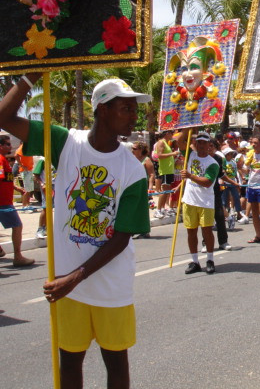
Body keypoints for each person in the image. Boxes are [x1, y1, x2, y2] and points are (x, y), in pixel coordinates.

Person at [0, 75, 151, 388]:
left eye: (135, 109)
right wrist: (29, 76)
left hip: (110, 286)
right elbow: (4, 117)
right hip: (67, 285)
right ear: (102, 109)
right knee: (69, 362)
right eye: (126, 108)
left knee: (116, 363)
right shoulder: (65, 142)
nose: (134, 116)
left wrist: (75, 277)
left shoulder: (133, 169)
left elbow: (122, 237)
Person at [181, 132, 219, 274]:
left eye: (204, 142)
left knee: (207, 231)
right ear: (195, 144)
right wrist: (188, 128)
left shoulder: (213, 163)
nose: (201, 145)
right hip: (189, 200)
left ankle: (210, 259)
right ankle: (195, 261)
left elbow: (207, 182)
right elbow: (179, 141)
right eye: (199, 142)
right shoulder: (190, 155)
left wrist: (190, 175)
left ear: (209, 145)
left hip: (205, 202)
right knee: (191, 231)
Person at [0, 134, 34, 267]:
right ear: (1, 146)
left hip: (5, 201)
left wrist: (16, 188)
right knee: (17, 226)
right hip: (3, 202)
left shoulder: (3, 159)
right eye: (8, 144)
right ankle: (18, 256)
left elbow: (5, 179)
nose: (10, 147)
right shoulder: (0, 160)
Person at [153, 131, 179, 219]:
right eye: (171, 133)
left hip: (169, 170)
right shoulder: (161, 142)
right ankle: (158, 210)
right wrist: (172, 153)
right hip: (165, 170)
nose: (172, 135)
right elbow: (159, 155)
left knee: (167, 191)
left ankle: (163, 208)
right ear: (167, 133)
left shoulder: (166, 143)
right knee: (164, 190)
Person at [15, 143, 35, 211]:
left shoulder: (28, 146)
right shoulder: (23, 146)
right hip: (25, 170)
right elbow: (16, 155)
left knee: (29, 189)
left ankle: (27, 204)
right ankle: (24, 205)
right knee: (26, 189)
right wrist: (21, 165)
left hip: (29, 169)